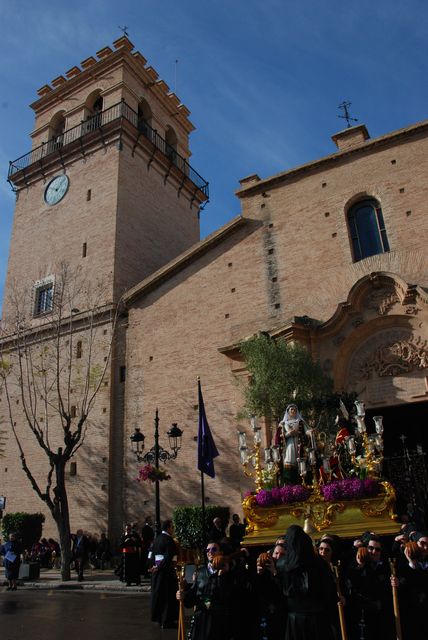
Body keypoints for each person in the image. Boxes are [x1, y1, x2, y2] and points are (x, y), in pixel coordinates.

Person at [276, 524, 338, 640]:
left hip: (295, 621)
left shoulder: (282, 564)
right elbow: (330, 594)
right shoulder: (320, 564)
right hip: (318, 620)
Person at [177, 542, 237, 640]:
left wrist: (222, 577)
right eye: (208, 550)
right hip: (201, 620)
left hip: (218, 621)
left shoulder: (229, 573)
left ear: (220, 553)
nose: (210, 552)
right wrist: (184, 595)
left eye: (214, 549)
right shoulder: (200, 572)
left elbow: (229, 597)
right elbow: (192, 597)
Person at [345, 535, 393, 640]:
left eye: (377, 549)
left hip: (382, 613)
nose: (373, 552)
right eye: (370, 548)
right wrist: (359, 566)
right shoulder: (357, 565)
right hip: (362, 613)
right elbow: (352, 583)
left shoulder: (386, 566)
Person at [150, 519, 179, 629]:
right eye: (172, 527)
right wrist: (159, 567)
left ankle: (158, 617)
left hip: (157, 572)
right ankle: (167, 620)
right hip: (166, 572)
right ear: (168, 528)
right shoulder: (169, 540)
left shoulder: (157, 539)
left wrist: (153, 566)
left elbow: (151, 554)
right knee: (168, 596)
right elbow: (169, 557)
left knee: (159, 595)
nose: (173, 529)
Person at [278, 404, 309, 484]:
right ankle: (289, 484)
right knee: (289, 461)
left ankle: (302, 483)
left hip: (299, 444)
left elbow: (306, 431)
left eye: (295, 409)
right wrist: (289, 434)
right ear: (288, 411)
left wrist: (310, 432)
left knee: (300, 463)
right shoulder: (283, 423)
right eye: (291, 409)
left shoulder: (301, 422)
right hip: (289, 444)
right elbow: (279, 437)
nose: (293, 411)